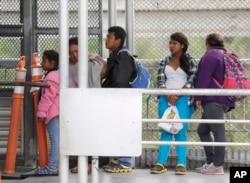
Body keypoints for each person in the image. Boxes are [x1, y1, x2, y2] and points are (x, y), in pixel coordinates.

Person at [150, 32, 198, 175]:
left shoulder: (191, 61)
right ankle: (161, 163)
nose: (171, 46)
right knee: (165, 129)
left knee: (180, 130)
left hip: (183, 99)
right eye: (170, 43)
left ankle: (181, 164)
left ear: (182, 45)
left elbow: (192, 80)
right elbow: (160, 79)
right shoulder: (165, 61)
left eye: (174, 43)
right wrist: (168, 94)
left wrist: (178, 94)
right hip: (166, 98)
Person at [194, 33, 235, 175]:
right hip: (225, 98)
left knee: (218, 131)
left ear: (207, 44)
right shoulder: (225, 54)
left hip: (213, 99)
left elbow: (203, 77)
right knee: (202, 130)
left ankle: (217, 165)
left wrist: (197, 96)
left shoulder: (211, 55)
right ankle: (211, 162)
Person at [68, 37, 107, 174]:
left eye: (77, 51)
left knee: (90, 133)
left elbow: (103, 72)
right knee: (79, 135)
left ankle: (91, 163)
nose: (74, 55)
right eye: (71, 53)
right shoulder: (68, 64)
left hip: (90, 103)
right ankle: (83, 162)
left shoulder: (94, 60)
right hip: (74, 104)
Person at [102, 26, 137, 173]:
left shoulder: (122, 56)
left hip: (120, 100)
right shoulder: (116, 55)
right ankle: (117, 158)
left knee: (121, 128)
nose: (106, 39)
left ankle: (124, 162)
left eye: (109, 37)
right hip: (117, 99)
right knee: (115, 129)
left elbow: (120, 80)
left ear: (118, 40)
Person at [36, 50, 59, 175]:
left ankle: (52, 167)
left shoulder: (51, 77)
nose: (41, 63)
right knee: (57, 139)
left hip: (52, 113)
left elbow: (47, 97)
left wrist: (41, 113)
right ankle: (56, 165)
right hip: (58, 111)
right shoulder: (58, 75)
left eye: (44, 61)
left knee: (55, 139)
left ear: (52, 62)